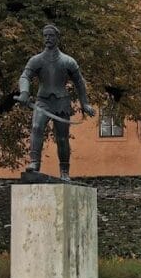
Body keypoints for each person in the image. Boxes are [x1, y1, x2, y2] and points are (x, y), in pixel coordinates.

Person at [15, 24, 95, 181]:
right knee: (37, 127)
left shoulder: (68, 61)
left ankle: (64, 170)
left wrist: (84, 103)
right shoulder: (36, 60)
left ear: (57, 38)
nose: (47, 38)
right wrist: (24, 92)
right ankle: (34, 163)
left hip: (61, 102)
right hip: (42, 101)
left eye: (51, 36)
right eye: (45, 35)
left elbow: (79, 82)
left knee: (62, 138)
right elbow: (25, 76)